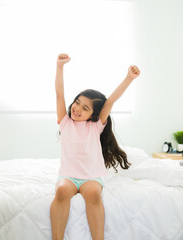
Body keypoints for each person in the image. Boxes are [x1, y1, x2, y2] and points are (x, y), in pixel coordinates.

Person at [50, 53, 140, 240]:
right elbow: (59, 94)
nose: (77, 109)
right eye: (77, 103)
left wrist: (129, 78)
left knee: (93, 194)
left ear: (93, 115)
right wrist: (60, 67)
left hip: (91, 176)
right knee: (61, 191)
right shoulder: (65, 122)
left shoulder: (95, 126)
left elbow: (110, 101)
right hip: (68, 175)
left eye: (85, 108)